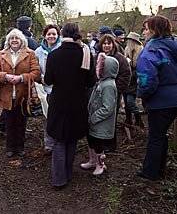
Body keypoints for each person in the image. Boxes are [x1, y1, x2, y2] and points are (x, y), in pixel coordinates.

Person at [44, 22, 96, 188]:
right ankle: (68, 174)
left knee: (59, 139)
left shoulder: (54, 55)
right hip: (78, 102)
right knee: (72, 138)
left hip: (59, 102)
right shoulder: (86, 54)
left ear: (62, 34)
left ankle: (59, 179)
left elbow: (49, 80)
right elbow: (91, 81)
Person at [136, 15, 177, 180]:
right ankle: (160, 169)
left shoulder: (151, 50)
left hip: (161, 101)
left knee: (155, 136)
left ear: (155, 30)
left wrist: (143, 97)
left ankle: (150, 172)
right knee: (161, 133)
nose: (144, 32)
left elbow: (146, 81)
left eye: (147, 28)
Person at [0, 28, 41, 158]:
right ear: (8, 41)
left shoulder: (30, 54)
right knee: (9, 122)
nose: (14, 40)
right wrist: (5, 76)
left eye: (17, 38)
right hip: (7, 94)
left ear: (22, 40)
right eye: (12, 38)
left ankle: (20, 147)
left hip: (23, 94)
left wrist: (22, 78)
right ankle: (10, 147)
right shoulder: (1, 54)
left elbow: (36, 72)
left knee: (21, 122)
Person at [81, 53, 119, 175]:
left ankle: (100, 164)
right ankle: (92, 161)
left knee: (98, 145)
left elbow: (108, 107)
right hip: (95, 121)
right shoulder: (101, 82)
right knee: (91, 141)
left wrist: (94, 117)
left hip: (100, 122)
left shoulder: (108, 86)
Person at [98, 34, 131, 152]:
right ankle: (100, 142)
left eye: (109, 43)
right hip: (98, 93)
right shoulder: (97, 56)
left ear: (113, 44)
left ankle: (110, 145)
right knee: (100, 117)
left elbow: (126, 74)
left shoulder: (119, 58)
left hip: (113, 93)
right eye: (104, 43)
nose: (106, 46)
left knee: (111, 118)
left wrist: (115, 89)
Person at [34, 24, 62, 156]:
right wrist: (40, 78)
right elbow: (34, 68)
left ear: (58, 35)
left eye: (54, 34)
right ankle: (48, 144)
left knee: (58, 116)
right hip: (44, 89)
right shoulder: (38, 51)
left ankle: (59, 141)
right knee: (46, 117)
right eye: (49, 34)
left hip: (59, 90)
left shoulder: (62, 49)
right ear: (44, 36)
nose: (51, 36)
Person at [123, 32, 144, 127]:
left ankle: (138, 117)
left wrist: (132, 74)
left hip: (134, 81)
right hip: (127, 80)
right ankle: (128, 119)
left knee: (130, 101)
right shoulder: (127, 50)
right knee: (126, 102)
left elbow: (140, 68)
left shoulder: (140, 51)